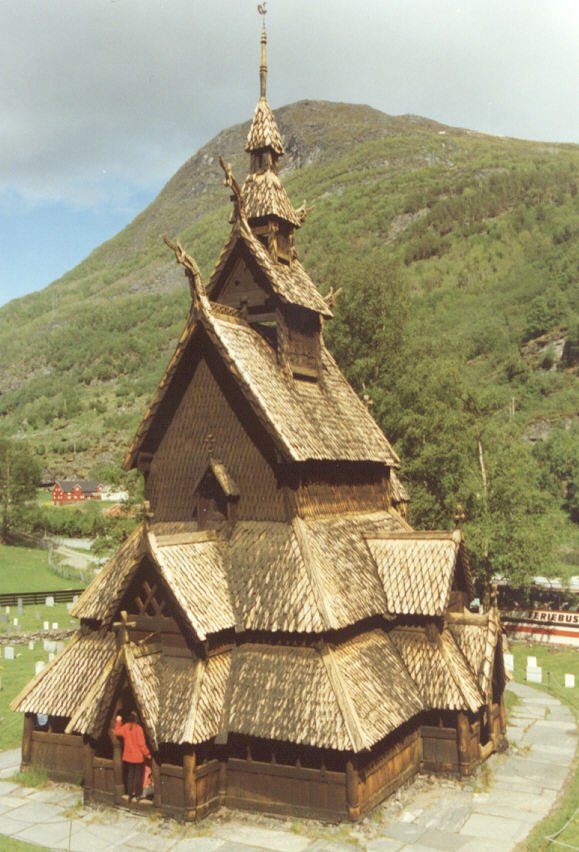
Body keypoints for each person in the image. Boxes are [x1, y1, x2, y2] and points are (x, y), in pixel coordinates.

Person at [113, 711, 151, 801]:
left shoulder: (126, 727)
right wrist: (148, 754)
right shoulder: (139, 729)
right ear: (137, 720)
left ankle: (130, 794)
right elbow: (141, 745)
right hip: (138, 758)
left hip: (128, 757)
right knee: (138, 776)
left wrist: (118, 721)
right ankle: (138, 795)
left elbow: (117, 732)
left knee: (130, 775)